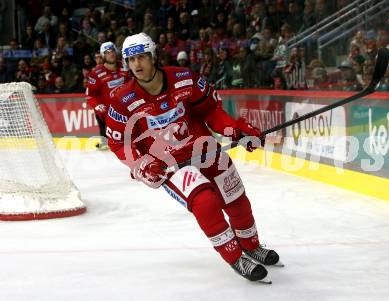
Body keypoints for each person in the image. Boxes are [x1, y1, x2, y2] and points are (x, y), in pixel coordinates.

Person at [105, 33, 281, 282]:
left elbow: (211, 112)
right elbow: (118, 142)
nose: (137, 64)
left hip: (204, 149)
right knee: (205, 202)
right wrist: (142, 164)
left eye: (142, 56)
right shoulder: (122, 100)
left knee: (236, 198)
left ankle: (251, 246)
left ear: (153, 55)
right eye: (131, 59)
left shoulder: (184, 78)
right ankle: (234, 255)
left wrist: (236, 130)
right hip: (169, 165)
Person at [86, 42, 130, 150]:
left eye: (112, 51)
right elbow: (89, 95)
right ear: (102, 56)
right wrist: (98, 107)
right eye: (107, 53)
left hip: (126, 109)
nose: (111, 54)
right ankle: (105, 139)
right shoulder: (96, 73)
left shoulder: (125, 67)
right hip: (107, 113)